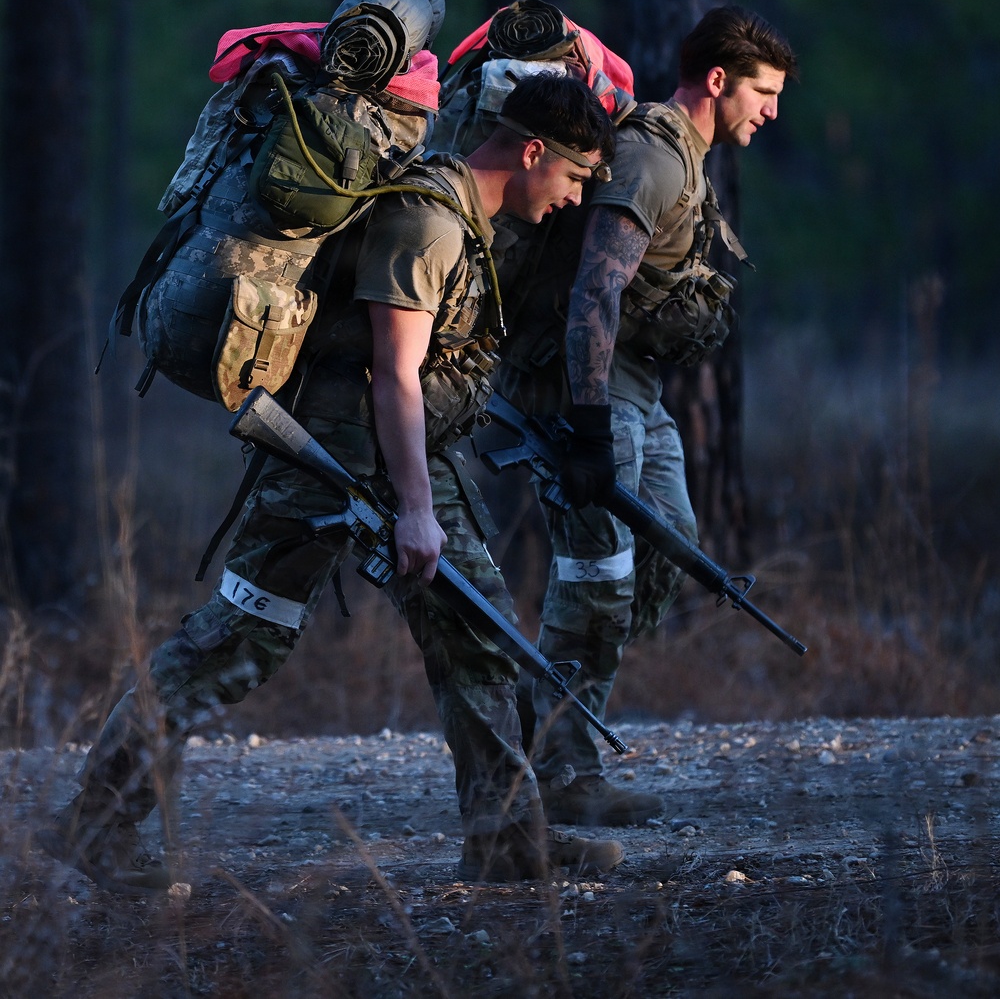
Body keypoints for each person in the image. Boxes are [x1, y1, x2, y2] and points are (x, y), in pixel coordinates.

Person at [37, 71, 624, 893]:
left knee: (477, 625)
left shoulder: (461, 213)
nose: (572, 198)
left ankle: (506, 837)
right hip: (334, 460)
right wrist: (417, 510)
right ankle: (94, 823)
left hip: (395, 455)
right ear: (532, 151)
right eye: (573, 177)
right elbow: (393, 373)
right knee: (241, 637)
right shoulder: (429, 221)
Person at [498, 6, 798, 827]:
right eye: (762, 93)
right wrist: (588, 427)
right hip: (587, 387)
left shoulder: (688, 158)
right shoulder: (654, 159)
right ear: (717, 81)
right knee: (598, 573)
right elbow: (595, 287)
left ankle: (547, 713)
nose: (769, 111)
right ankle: (564, 772)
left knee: (670, 544)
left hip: (635, 385)